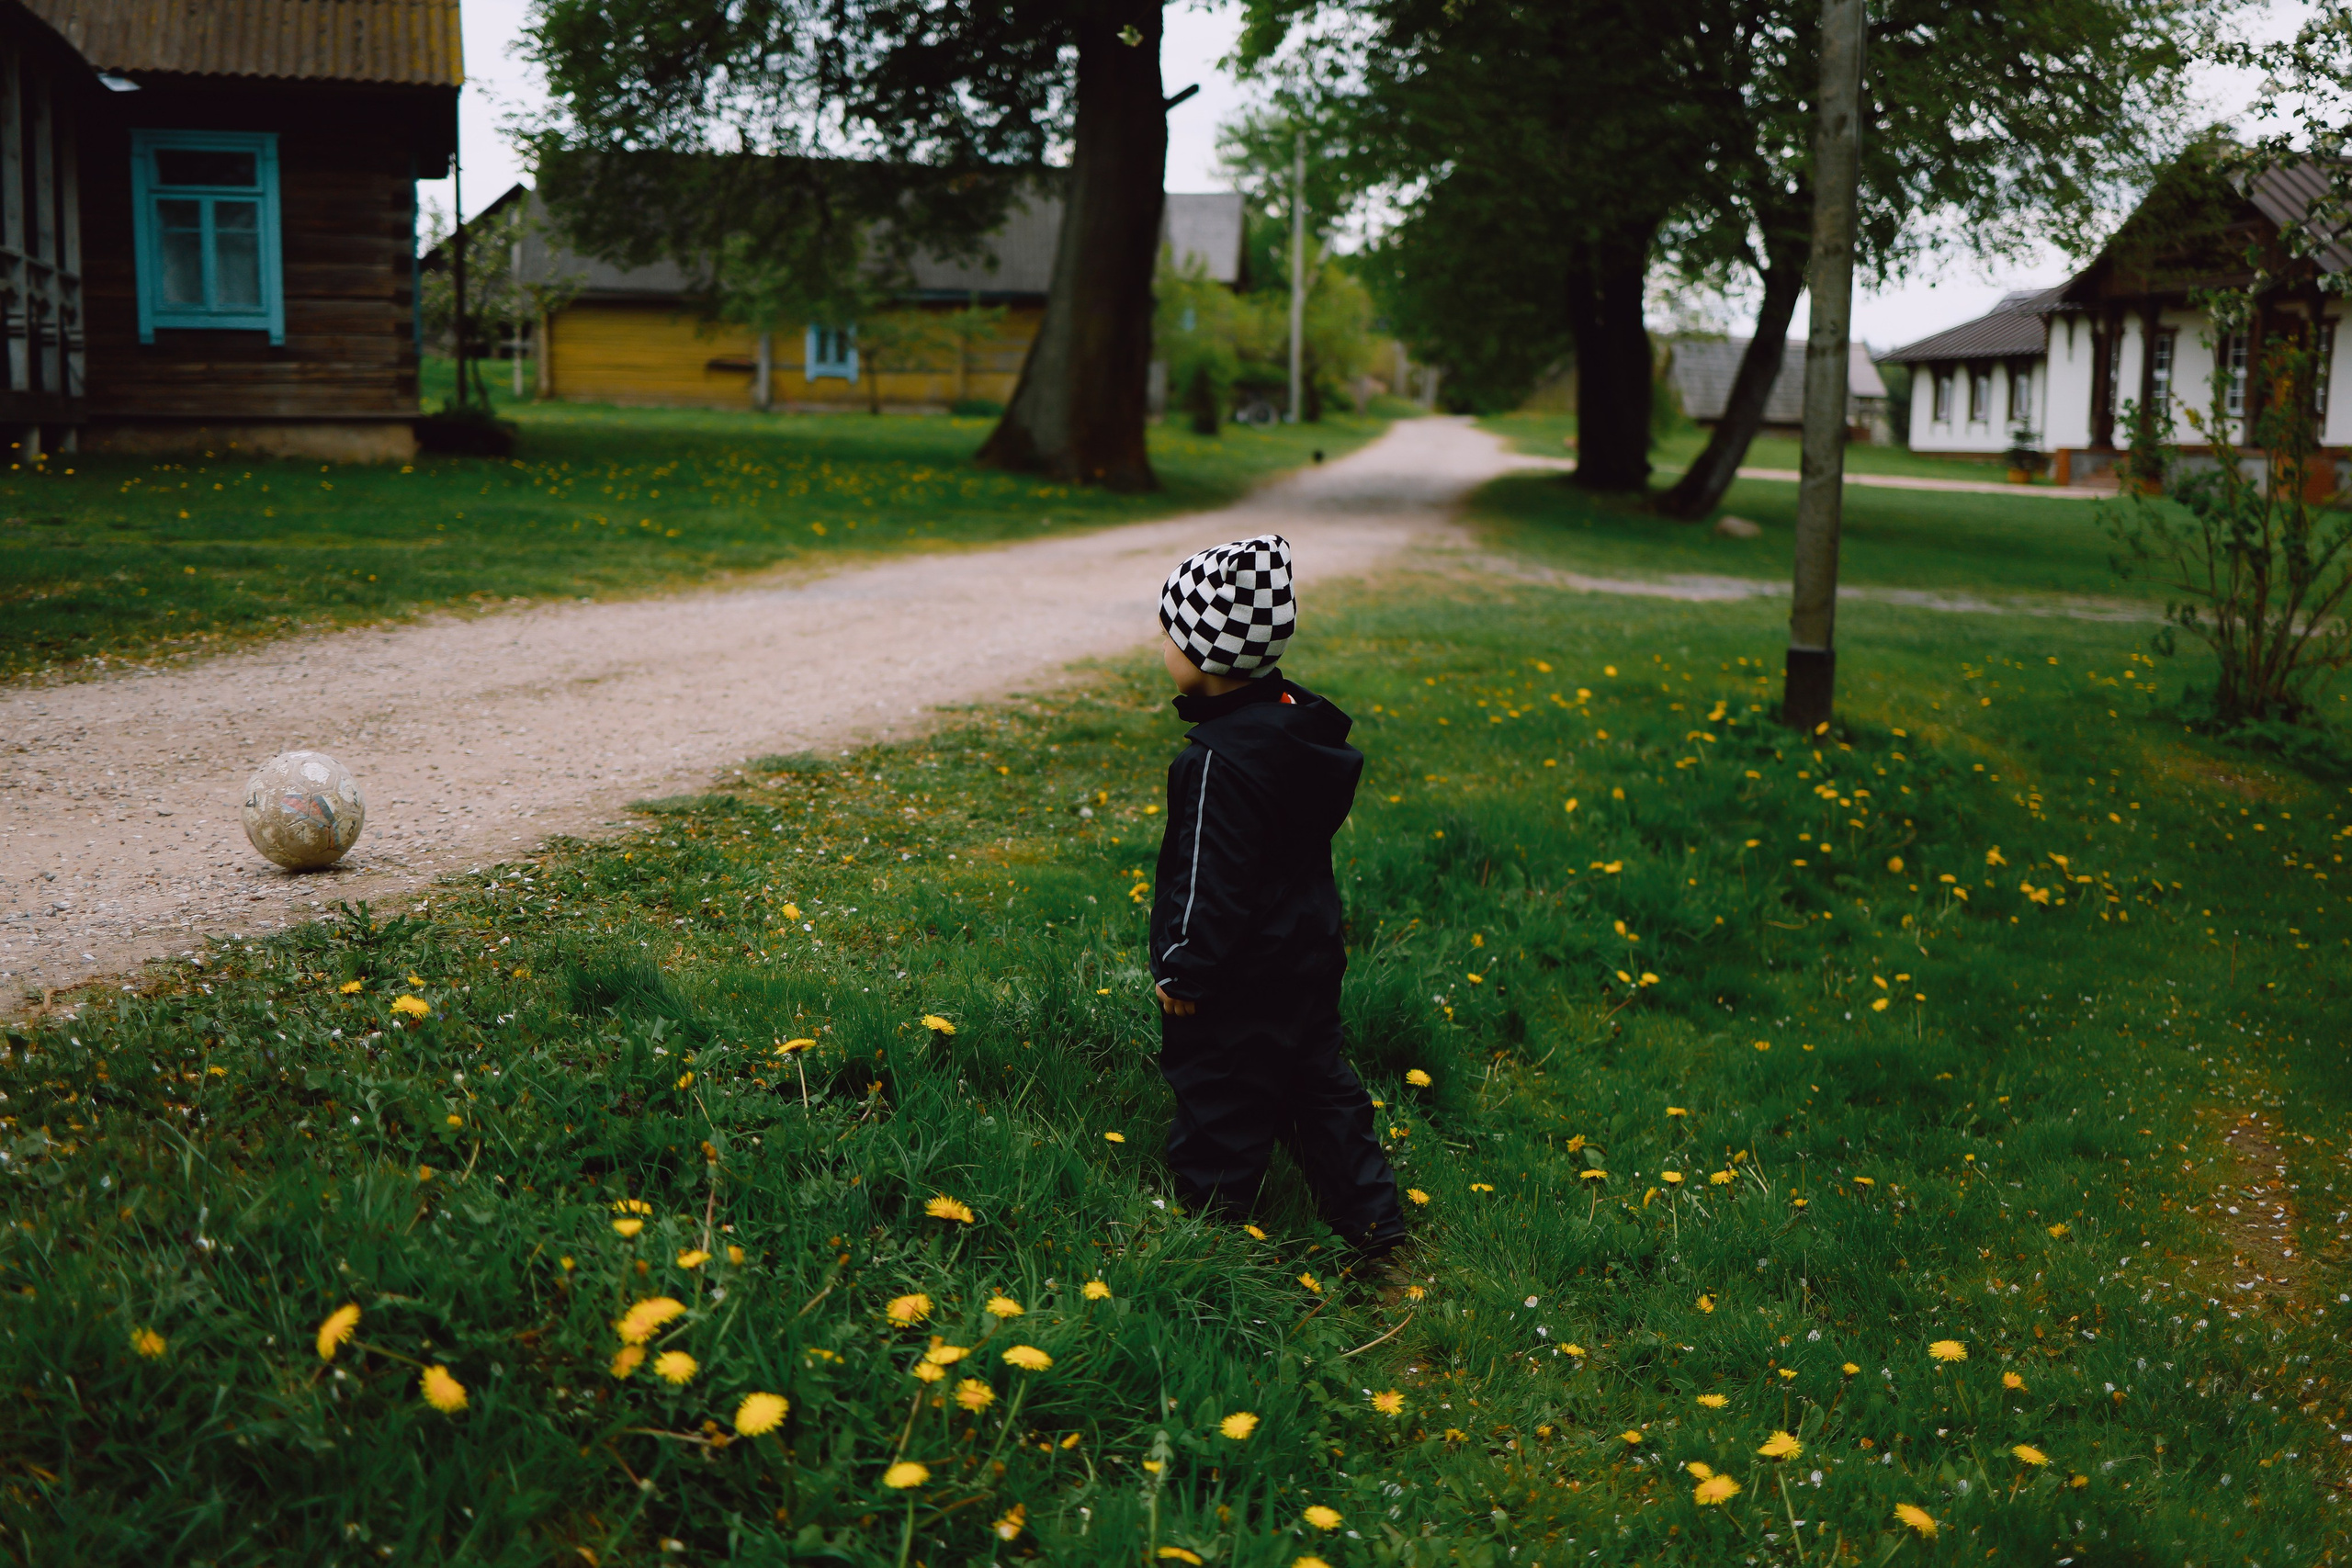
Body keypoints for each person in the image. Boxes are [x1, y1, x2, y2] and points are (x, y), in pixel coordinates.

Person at [1148, 534, 1407, 1263]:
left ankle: (1212, 1236)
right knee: (1320, 1089)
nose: (1161, 643)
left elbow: (1210, 881)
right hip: (1306, 956)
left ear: (1203, 654)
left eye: (1169, 631)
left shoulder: (1214, 764)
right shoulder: (1297, 728)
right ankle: (1374, 1226)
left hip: (1234, 976)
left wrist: (1183, 968)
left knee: (1220, 1097)